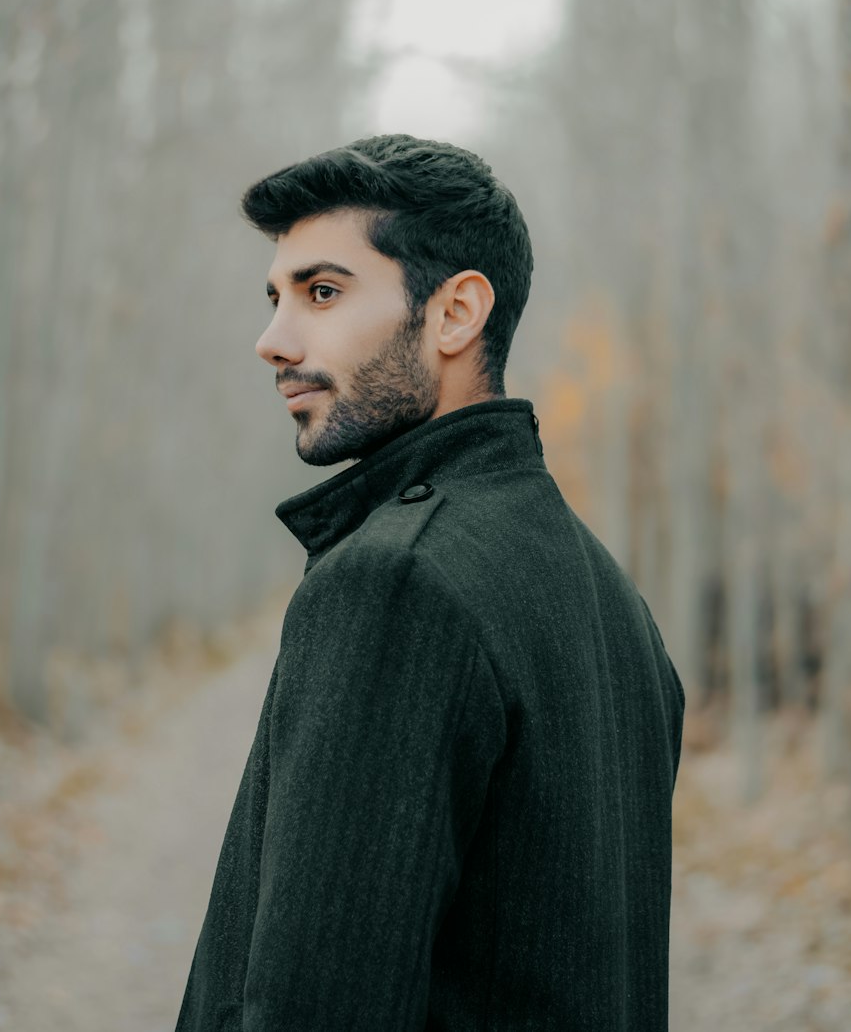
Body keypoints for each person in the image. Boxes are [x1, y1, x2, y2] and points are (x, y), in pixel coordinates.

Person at [175, 133, 685, 1031]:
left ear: (455, 315)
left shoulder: (397, 584)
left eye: (322, 292)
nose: (272, 341)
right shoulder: (613, 600)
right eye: (274, 297)